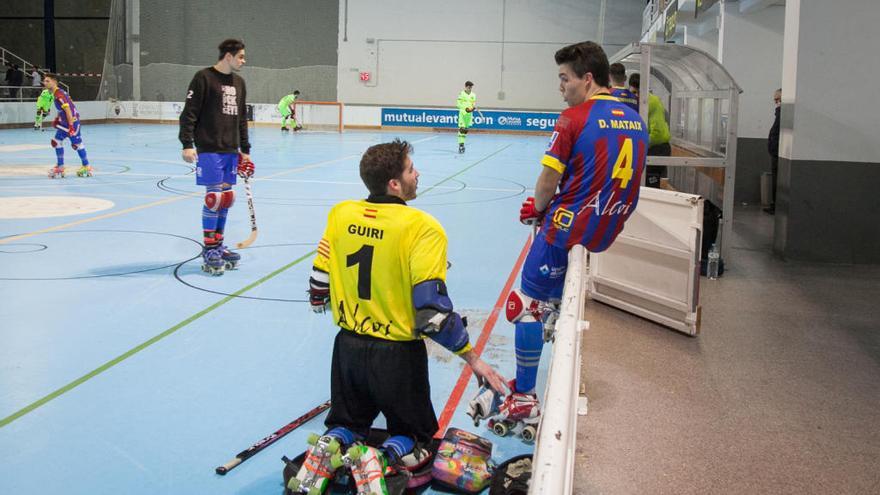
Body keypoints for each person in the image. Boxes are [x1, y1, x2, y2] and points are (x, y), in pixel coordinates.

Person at [306, 138, 508, 471]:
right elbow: (431, 311)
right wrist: (472, 358)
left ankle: (333, 443)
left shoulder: (340, 214)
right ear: (394, 183)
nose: (418, 174)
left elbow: (319, 282)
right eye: (411, 169)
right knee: (416, 435)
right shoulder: (422, 228)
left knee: (349, 422)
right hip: (397, 357)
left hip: (348, 350)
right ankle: (385, 458)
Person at [503, 41, 647, 425]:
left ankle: (524, 398)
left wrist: (538, 207)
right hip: (607, 227)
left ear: (587, 79)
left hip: (567, 230)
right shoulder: (636, 118)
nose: (560, 87)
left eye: (564, 79)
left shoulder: (574, 118)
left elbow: (548, 181)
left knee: (525, 307)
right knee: (560, 304)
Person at [179, 38, 253, 276]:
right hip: (209, 148)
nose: (243, 60)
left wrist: (245, 150)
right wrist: (187, 144)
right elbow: (189, 113)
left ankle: (219, 245)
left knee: (227, 198)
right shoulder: (203, 78)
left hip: (230, 150)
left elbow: (242, 119)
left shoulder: (239, 83)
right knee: (214, 198)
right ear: (228, 56)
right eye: (240, 56)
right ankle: (209, 247)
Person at [44, 73, 92, 178]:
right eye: (45, 81)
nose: (45, 83)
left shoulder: (59, 95)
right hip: (66, 123)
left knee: (77, 144)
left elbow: (68, 110)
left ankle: (86, 166)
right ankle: (60, 167)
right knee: (56, 142)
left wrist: (71, 127)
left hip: (71, 122)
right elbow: (64, 108)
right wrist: (58, 118)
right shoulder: (58, 92)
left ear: (54, 82)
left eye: (48, 81)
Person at [629, 73, 670, 188]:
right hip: (648, 148)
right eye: (633, 93)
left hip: (657, 149)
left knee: (650, 186)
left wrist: (640, 144)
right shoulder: (637, 103)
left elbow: (658, 134)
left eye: (638, 92)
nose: (636, 96)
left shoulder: (652, 102)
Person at [764, 88, 781, 214]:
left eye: (778, 99)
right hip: (775, 151)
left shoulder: (781, 113)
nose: (776, 102)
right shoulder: (779, 113)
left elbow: (776, 132)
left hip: (777, 152)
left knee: (777, 180)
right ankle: (774, 204)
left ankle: (775, 205)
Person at [456, 81, 477, 153]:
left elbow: (473, 104)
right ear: (466, 86)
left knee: (465, 131)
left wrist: (473, 108)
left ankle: (462, 144)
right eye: (469, 87)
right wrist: (465, 109)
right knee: (461, 129)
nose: (470, 88)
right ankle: (461, 145)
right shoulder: (461, 94)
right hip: (463, 114)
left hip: (469, 115)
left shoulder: (473, 95)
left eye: (471, 87)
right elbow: (458, 104)